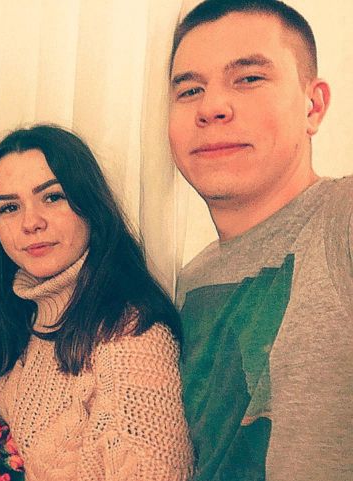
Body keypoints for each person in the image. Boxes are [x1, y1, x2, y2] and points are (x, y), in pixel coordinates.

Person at [168, 1, 353, 480]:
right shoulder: (182, 282)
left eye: (248, 78)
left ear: (313, 106)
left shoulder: (341, 219)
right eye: (190, 89)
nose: (211, 107)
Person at [0, 124, 193, 481]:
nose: (31, 222)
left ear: (90, 205)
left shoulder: (130, 336)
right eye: (9, 207)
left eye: (52, 197)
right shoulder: (16, 319)